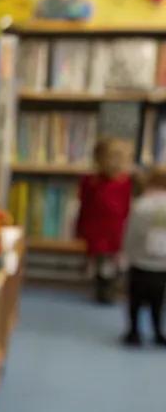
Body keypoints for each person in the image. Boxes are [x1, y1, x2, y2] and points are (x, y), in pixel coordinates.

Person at [76, 137, 132, 303]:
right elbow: (84, 206)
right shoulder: (90, 181)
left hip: (116, 230)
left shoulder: (126, 182)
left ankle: (110, 287)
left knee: (113, 262)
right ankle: (103, 287)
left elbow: (127, 208)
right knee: (100, 261)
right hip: (96, 229)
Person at [122, 165, 166, 346]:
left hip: (139, 264)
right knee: (158, 303)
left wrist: (126, 254)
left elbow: (130, 234)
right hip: (162, 266)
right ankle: (158, 333)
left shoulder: (141, 206)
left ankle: (134, 332)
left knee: (135, 301)